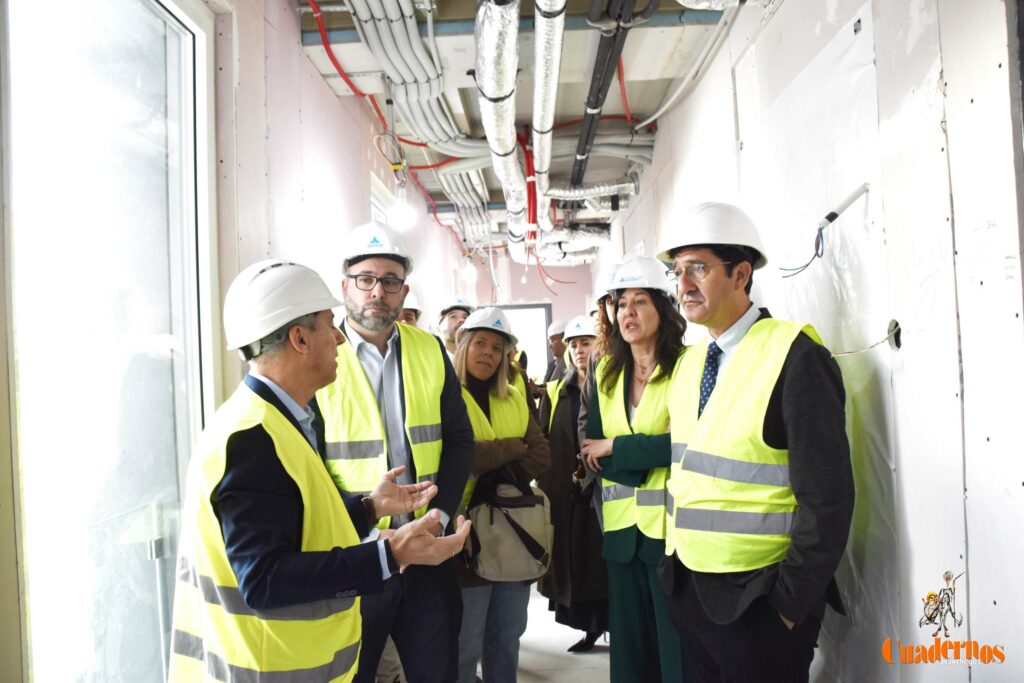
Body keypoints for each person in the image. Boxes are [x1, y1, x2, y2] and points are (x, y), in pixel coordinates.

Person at [169, 259, 470, 682]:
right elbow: (264, 579)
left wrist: (368, 508)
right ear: (300, 339)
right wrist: (391, 554)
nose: (340, 339)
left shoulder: (280, 422)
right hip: (265, 667)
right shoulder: (251, 438)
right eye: (330, 326)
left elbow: (295, 525)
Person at [657, 202, 854, 682]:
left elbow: (828, 499)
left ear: (741, 273)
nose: (683, 285)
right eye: (677, 272)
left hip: (760, 603)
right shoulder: (689, 364)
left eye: (698, 268)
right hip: (691, 593)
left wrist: (788, 605)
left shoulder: (796, 356)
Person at [313, 222, 475, 683]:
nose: (377, 292)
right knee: (351, 674)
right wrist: (365, 526)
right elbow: (307, 463)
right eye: (365, 279)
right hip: (356, 554)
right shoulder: (319, 353)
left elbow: (459, 441)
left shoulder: (430, 350)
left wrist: (438, 519)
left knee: (437, 672)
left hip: (426, 552)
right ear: (345, 286)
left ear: (404, 290)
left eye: (389, 281)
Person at [580, 256, 689, 683]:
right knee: (629, 654)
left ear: (663, 307)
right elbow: (592, 451)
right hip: (621, 532)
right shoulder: (606, 372)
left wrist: (618, 448)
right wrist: (644, 451)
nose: (628, 312)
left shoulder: (687, 365)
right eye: (620, 303)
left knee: (675, 650)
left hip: (673, 534)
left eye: (640, 301)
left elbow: (689, 445)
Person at [452, 307, 550, 683]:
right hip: (465, 530)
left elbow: (541, 454)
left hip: (512, 529)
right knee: (466, 641)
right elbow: (461, 455)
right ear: (463, 345)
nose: (488, 353)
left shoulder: (513, 396)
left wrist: (493, 464)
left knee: (507, 636)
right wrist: (512, 448)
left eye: (497, 348)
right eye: (480, 343)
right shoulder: (444, 396)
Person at [537, 315, 609, 653]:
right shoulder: (556, 391)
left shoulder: (611, 384)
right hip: (567, 493)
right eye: (574, 345)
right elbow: (542, 439)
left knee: (602, 562)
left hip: (604, 489)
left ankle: (613, 625)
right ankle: (590, 627)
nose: (580, 350)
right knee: (576, 563)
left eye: (586, 343)